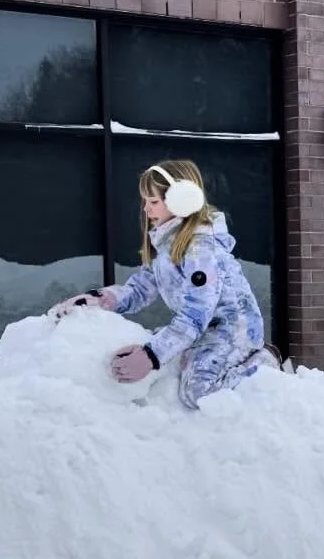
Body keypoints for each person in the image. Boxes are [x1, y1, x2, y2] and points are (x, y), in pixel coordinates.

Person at [55, 160, 273, 409]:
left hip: (232, 331)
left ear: (182, 200)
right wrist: (101, 299)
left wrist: (152, 355)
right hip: (201, 329)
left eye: (154, 201)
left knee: (198, 392)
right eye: (145, 201)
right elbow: (140, 290)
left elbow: (195, 314)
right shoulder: (167, 245)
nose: (146, 209)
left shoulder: (201, 251)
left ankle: (265, 361)